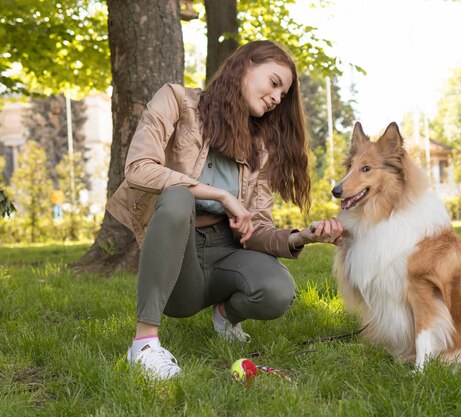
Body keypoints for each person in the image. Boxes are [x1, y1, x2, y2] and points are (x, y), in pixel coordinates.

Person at [106, 40, 343, 380]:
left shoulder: (260, 147)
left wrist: (304, 235)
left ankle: (225, 315)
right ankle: (143, 344)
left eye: (283, 94)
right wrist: (220, 195)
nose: (277, 98)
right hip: (179, 254)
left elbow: (257, 226)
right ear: (245, 66)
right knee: (177, 196)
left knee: (279, 290)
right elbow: (139, 167)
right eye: (274, 83)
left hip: (226, 252)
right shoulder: (175, 100)